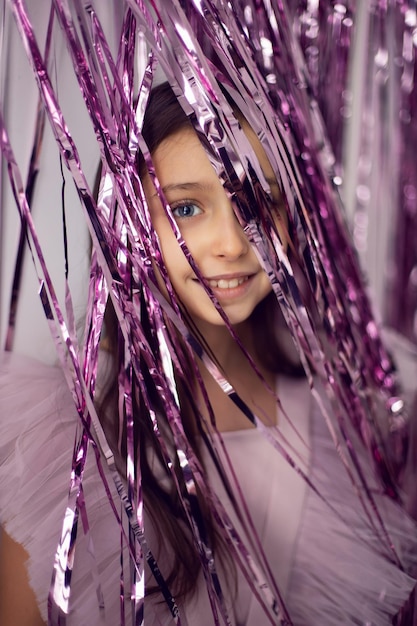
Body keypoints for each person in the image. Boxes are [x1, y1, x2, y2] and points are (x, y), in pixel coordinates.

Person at [0, 81, 416, 626]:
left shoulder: (346, 408)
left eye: (259, 201)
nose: (232, 241)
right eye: (188, 207)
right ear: (128, 221)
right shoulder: (57, 432)